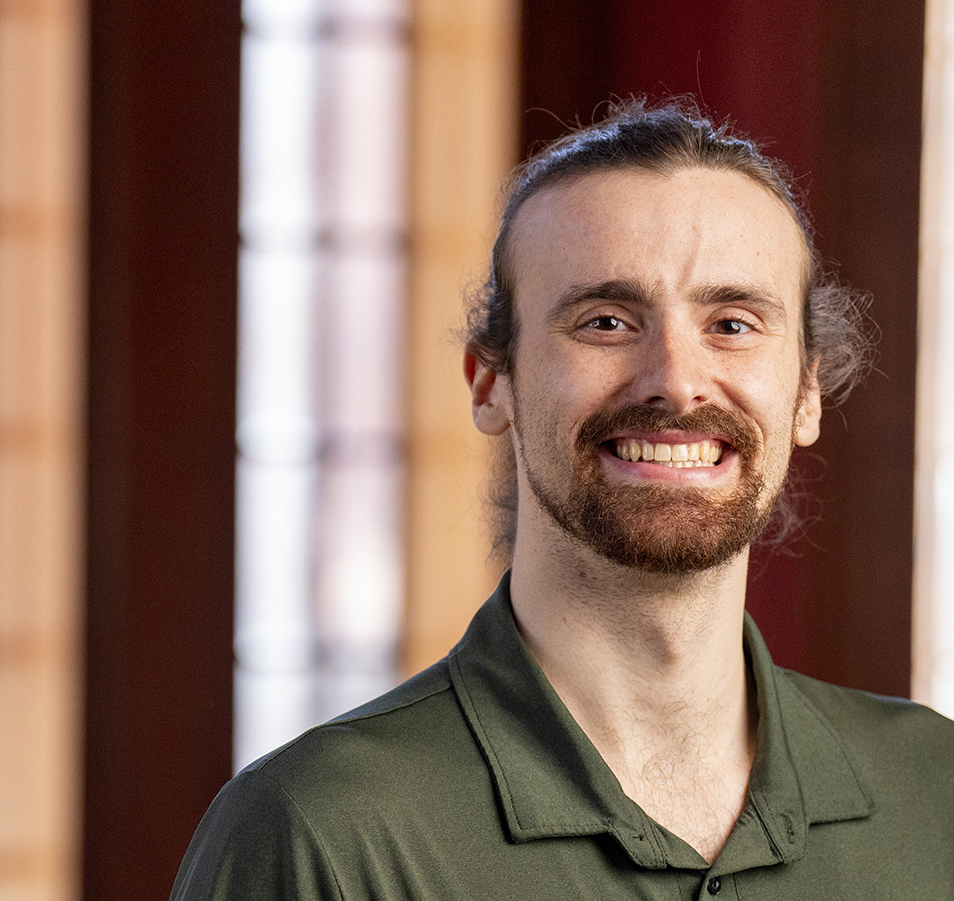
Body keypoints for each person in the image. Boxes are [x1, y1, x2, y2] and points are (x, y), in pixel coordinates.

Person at [170, 100, 954, 898]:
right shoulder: (319, 834)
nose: (677, 381)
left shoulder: (937, 795)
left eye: (732, 324)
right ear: (491, 383)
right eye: (606, 321)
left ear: (807, 391)